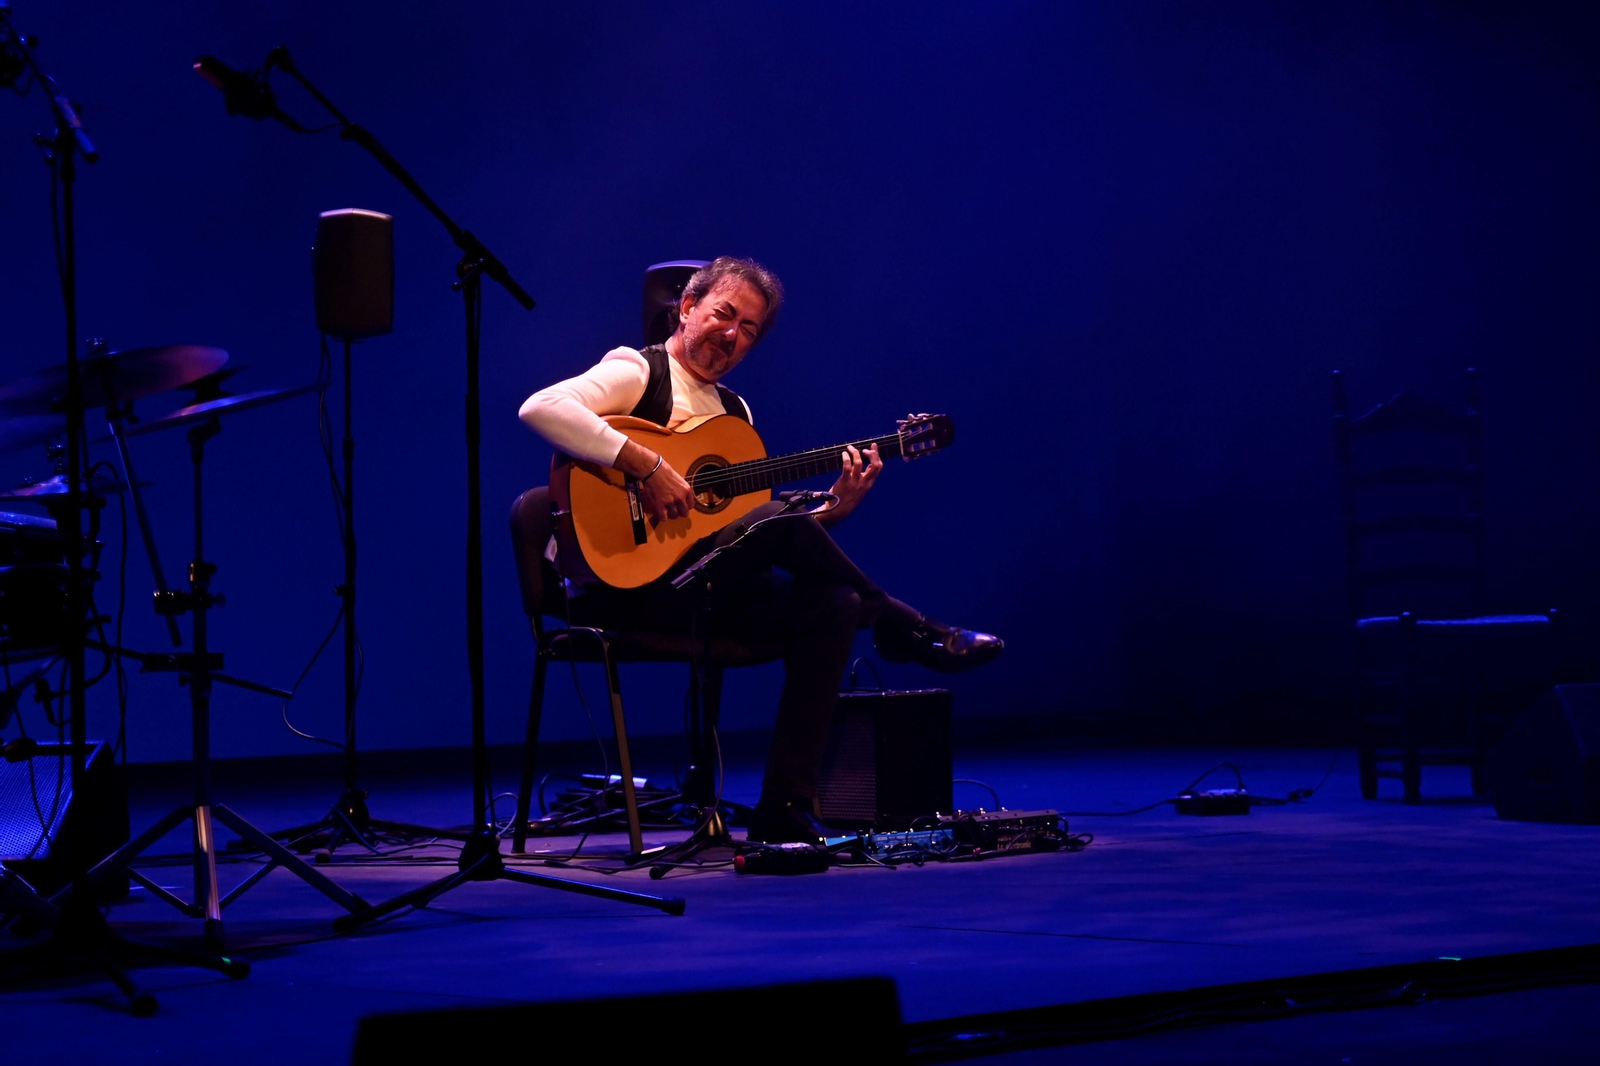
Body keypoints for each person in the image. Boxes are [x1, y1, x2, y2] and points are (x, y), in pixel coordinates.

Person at [518, 256, 1001, 843]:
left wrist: (834, 509)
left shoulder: (734, 416)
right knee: (782, 526)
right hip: (630, 589)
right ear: (688, 307)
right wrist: (643, 463)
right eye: (724, 314)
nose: (732, 334)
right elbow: (540, 407)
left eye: (748, 329)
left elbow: (745, 528)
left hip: (707, 589)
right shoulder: (639, 373)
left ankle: (784, 806)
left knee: (834, 603)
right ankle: (904, 624)